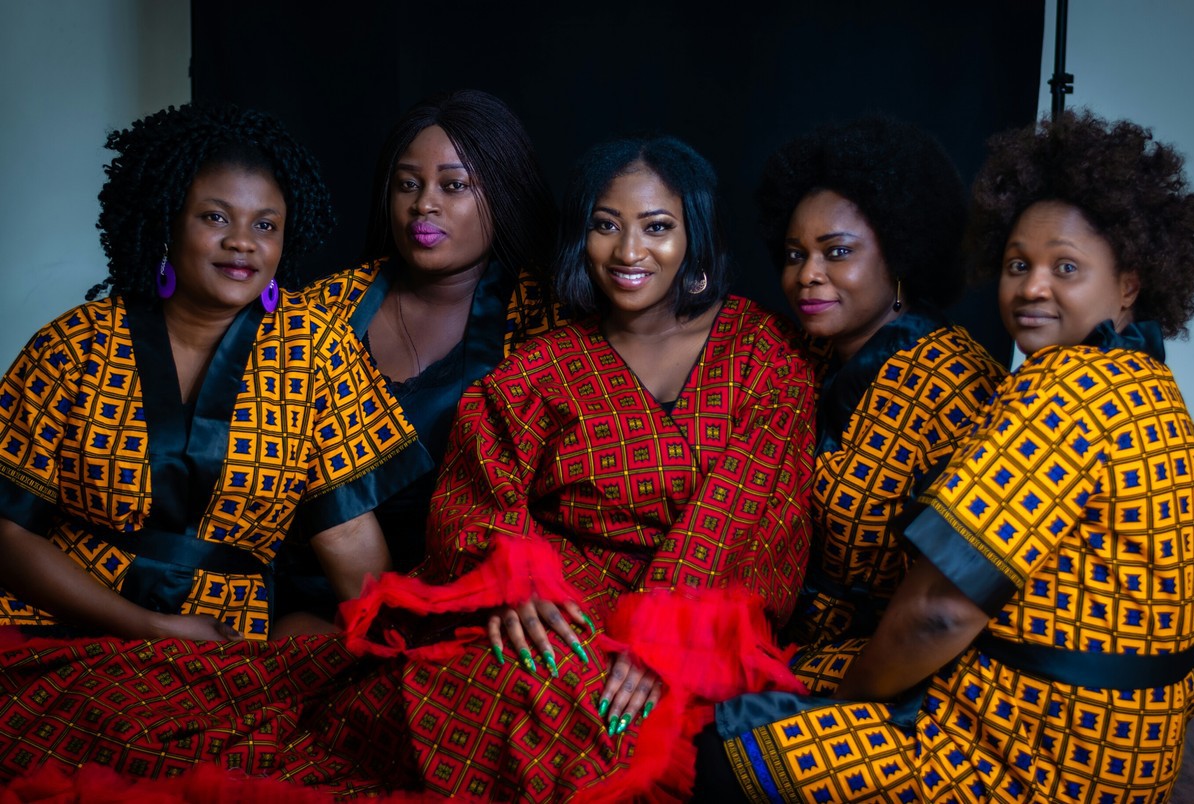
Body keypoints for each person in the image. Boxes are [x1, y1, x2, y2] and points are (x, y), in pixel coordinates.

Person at [0, 135, 817, 799]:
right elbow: (479, 501)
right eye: (608, 225)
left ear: (694, 235)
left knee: (555, 712)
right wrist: (511, 585)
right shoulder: (536, 367)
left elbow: (747, 503)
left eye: (657, 227)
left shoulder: (760, 350)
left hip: (697, 609)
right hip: (551, 606)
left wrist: (660, 635)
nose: (629, 249)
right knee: (475, 691)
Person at [708, 111, 1194, 802]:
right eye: (1017, 265)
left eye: (1065, 267)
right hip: (1117, 747)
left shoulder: (1066, 387)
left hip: (1025, 751)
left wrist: (838, 712)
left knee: (722, 749)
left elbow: (941, 610)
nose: (1032, 287)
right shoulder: (1147, 383)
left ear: (1130, 283)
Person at [0, 104, 429, 642]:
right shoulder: (73, 345)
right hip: (58, 628)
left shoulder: (316, 348)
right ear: (168, 220)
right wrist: (152, 627)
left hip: (225, 647)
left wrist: (399, 648)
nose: (242, 242)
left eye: (265, 225)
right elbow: (8, 534)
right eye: (216, 217)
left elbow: (345, 531)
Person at [761, 117, 1005, 658]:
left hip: (889, 660)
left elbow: (950, 601)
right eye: (796, 254)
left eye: (837, 252)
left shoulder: (961, 386)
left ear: (898, 255)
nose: (807, 275)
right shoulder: (796, 356)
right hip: (782, 634)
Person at [292, 89, 560, 577]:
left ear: (503, 194)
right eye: (408, 184)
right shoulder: (322, 308)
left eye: (453, 186)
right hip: (317, 580)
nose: (424, 205)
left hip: (480, 582)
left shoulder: (544, 316)